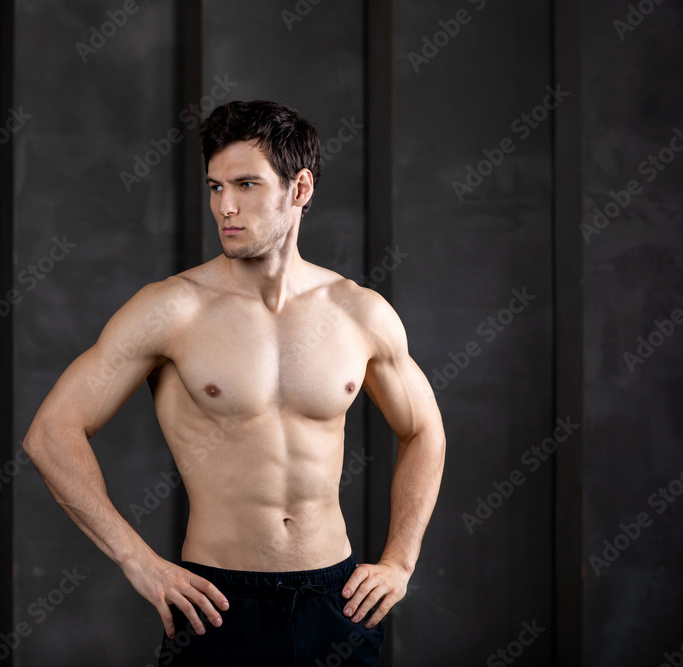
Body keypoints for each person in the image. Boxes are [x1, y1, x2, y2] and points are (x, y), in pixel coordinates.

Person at [24, 100, 446, 666]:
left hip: (337, 602)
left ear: (300, 189)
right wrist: (137, 561)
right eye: (216, 187)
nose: (225, 206)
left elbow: (424, 431)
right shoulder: (172, 309)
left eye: (246, 185)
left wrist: (399, 561)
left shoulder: (358, 312)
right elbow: (51, 432)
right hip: (219, 606)